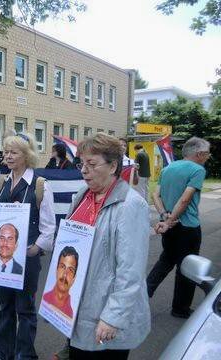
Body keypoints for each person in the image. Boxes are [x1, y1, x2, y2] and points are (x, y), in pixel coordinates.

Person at [56, 133, 150, 360]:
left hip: (104, 313)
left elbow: (131, 270)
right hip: (77, 305)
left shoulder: (130, 206)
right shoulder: (82, 195)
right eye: (81, 163)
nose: (84, 170)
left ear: (113, 166)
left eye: (92, 164)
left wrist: (113, 317)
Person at [0, 133, 56, 360]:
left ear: (27, 155)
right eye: (6, 151)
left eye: (13, 152)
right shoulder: (2, 181)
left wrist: (35, 249)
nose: (8, 156)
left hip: (28, 259)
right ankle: (3, 352)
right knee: (5, 307)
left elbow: (49, 228)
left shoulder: (40, 186)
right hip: (3, 258)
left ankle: (25, 355)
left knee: (24, 310)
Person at [147, 137, 210, 319]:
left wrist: (164, 216)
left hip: (171, 226)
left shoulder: (168, 168)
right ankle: (180, 308)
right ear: (199, 154)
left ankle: (141, 297)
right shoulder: (198, 169)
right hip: (187, 227)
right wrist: (170, 219)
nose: (207, 157)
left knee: (166, 261)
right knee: (187, 267)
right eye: (207, 154)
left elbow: (155, 194)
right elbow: (185, 198)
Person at [42, 246, 79, 319]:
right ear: (56, 270)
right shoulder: (45, 298)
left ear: (74, 278)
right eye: (62, 267)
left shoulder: (70, 314)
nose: (65, 275)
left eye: (70, 270)